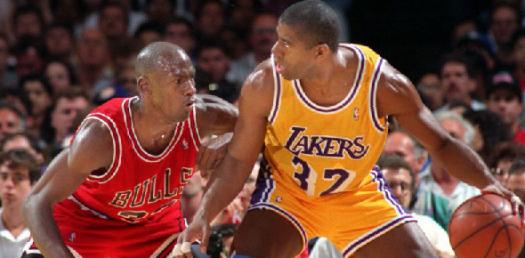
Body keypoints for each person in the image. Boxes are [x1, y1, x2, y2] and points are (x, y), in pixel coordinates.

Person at [177, 1, 520, 258]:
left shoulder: (382, 84)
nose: (274, 49)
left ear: (320, 52)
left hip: (356, 195)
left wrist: (487, 182)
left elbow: (441, 144)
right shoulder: (265, 82)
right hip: (288, 195)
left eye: (286, 43)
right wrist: (203, 216)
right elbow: (238, 160)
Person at [21, 42, 238, 257]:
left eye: (191, 77)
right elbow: (35, 201)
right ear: (145, 87)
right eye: (178, 81)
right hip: (85, 225)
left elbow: (260, 122)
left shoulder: (202, 115)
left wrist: (230, 137)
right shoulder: (102, 134)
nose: (190, 89)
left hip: (153, 230)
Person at [378, 154, 455, 258]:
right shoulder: (362, 227)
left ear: (412, 191)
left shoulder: (428, 225)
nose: (398, 192)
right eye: (390, 185)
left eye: (404, 186)